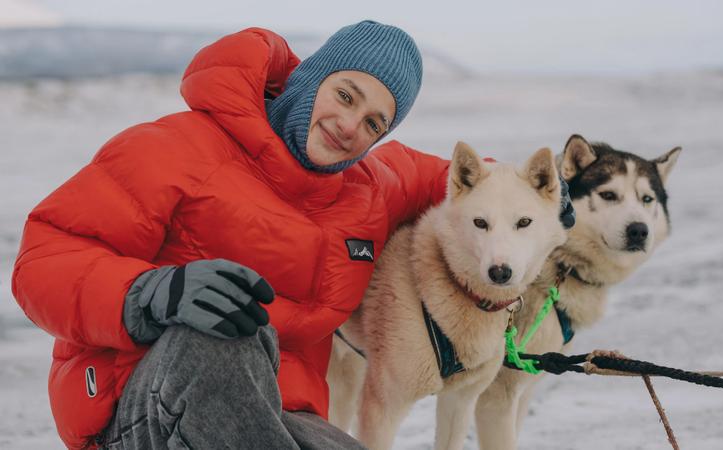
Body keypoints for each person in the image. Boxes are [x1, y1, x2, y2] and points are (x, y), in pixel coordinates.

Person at [11, 20, 451, 449]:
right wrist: (150, 293)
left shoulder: (368, 190)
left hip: (277, 417)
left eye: (375, 123)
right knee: (225, 325)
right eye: (345, 96)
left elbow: (477, 186)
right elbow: (46, 258)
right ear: (311, 78)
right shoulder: (176, 146)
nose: (351, 126)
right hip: (137, 410)